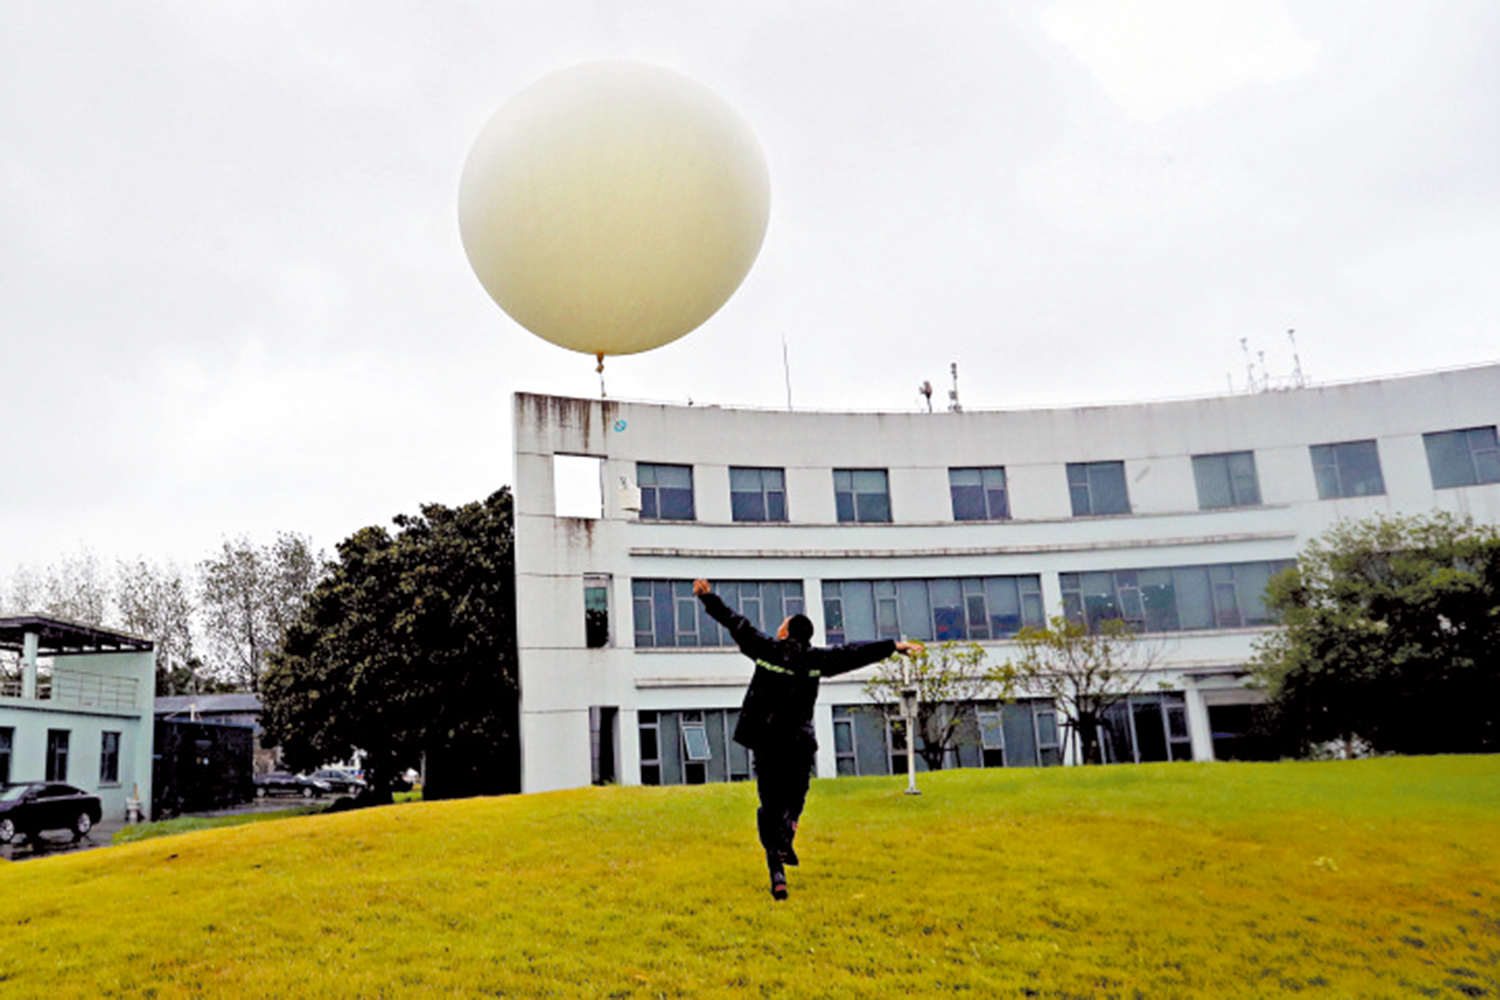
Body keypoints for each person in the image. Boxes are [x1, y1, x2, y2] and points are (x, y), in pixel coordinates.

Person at [693, 579, 921, 900]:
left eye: (781, 625)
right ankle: (787, 839)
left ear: (785, 633)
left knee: (769, 809)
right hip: (799, 744)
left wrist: (708, 598)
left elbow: (736, 623)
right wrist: (892, 646)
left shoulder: (768, 649)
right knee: (795, 799)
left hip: (768, 743)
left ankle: (778, 872)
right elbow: (853, 653)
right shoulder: (817, 661)